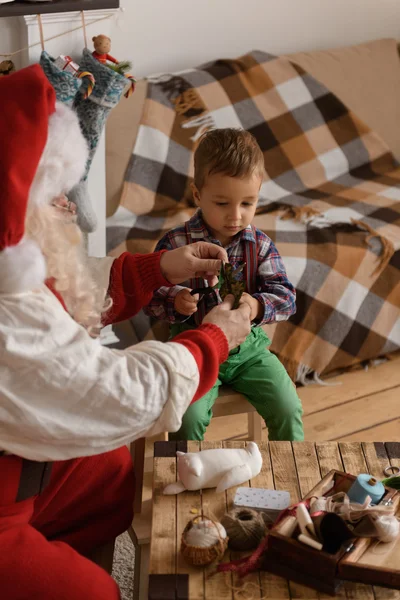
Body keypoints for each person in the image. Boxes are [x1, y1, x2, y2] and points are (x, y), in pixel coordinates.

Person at [0, 66, 252, 600]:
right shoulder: (9, 318)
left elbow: (66, 292)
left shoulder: (10, 268)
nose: (69, 206)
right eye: (51, 195)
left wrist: (157, 268)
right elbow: (114, 393)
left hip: (13, 469)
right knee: (93, 594)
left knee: (109, 473)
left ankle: (56, 548)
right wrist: (212, 340)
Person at [144, 128, 304, 442]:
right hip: (195, 349)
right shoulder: (176, 242)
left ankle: (290, 475)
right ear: (198, 194)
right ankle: (184, 478)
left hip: (250, 351)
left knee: (288, 407)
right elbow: (149, 294)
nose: (235, 215)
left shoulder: (259, 245)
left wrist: (256, 305)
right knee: (186, 419)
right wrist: (176, 300)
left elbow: (285, 296)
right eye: (222, 203)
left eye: (247, 203)